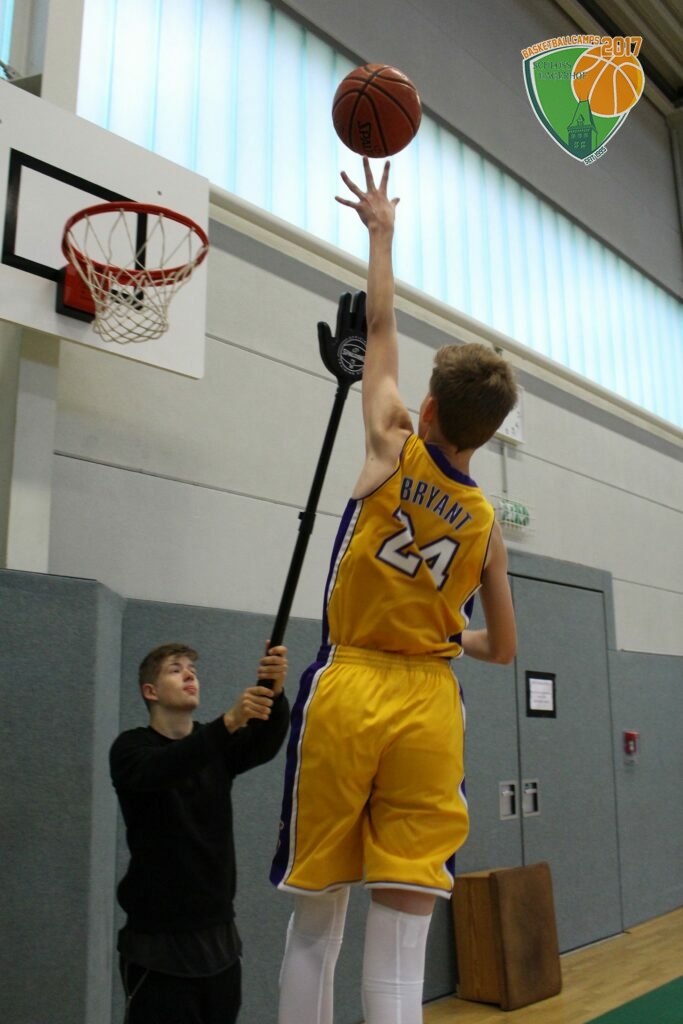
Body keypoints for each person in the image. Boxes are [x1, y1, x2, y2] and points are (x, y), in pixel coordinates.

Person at [270, 158, 518, 1024]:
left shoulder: (391, 443)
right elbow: (504, 649)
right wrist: (450, 640)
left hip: (353, 683)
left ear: (429, 408)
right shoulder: (485, 523)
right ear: (491, 433)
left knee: (317, 918)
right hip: (430, 701)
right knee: (402, 944)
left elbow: (378, 325)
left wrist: (380, 232)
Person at [111, 640, 289, 1024]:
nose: (189, 675)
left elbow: (264, 743)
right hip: (158, 947)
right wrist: (229, 722)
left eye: (192, 669)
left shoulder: (215, 746)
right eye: (175, 669)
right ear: (150, 691)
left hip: (220, 941)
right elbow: (167, 766)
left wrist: (274, 693)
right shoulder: (130, 749)